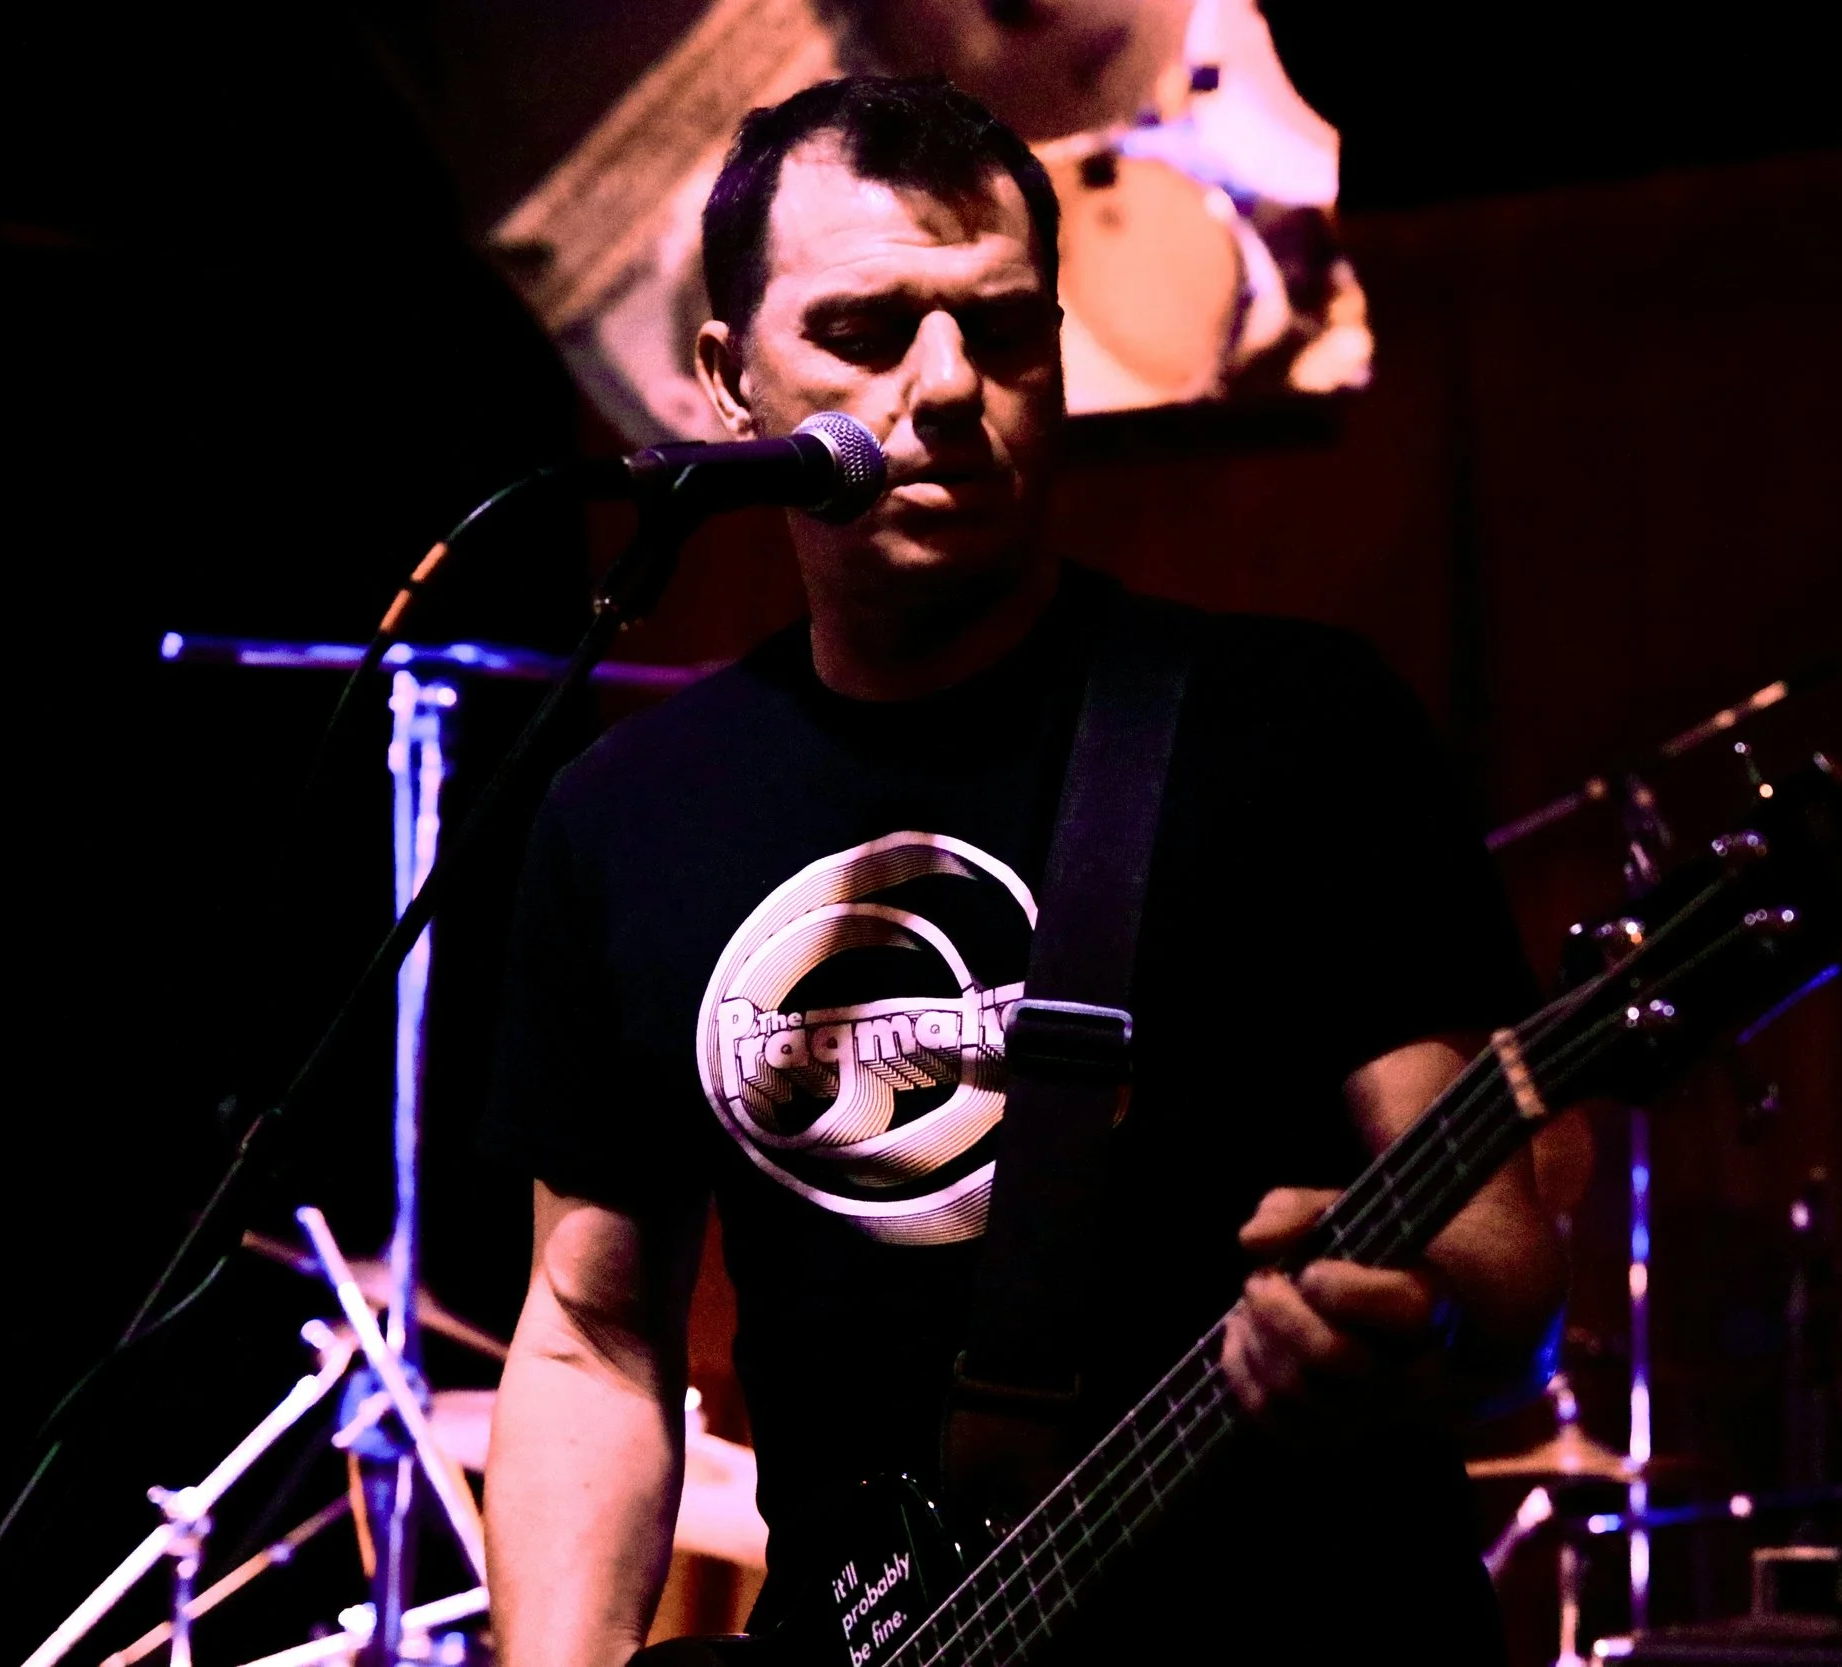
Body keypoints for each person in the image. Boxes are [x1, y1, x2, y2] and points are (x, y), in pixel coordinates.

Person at [480, 76, 1566, 1667]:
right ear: (728, 378)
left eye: (1001, 330)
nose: (946, 388)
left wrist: (1420, 1324)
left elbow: (1498, 1262)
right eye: (864, 329)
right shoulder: (625, 811)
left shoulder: (1290, 726)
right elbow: (589, 1336)